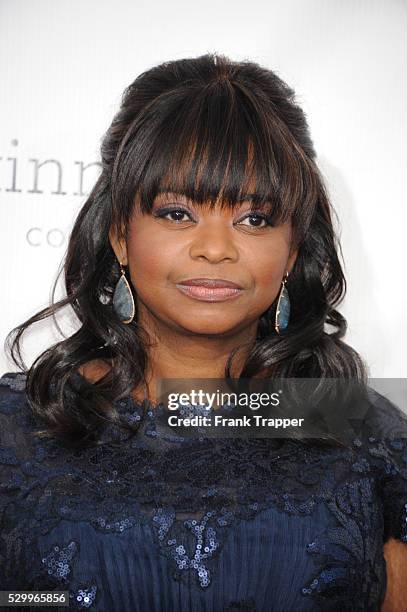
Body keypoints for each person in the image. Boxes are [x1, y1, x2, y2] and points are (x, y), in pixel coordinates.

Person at [1, 53, 406, 612]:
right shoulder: (18, 430)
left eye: (254, 219)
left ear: (292, 249)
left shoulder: (363, 433)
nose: (215, 248)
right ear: (120, 234)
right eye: (177, 213)